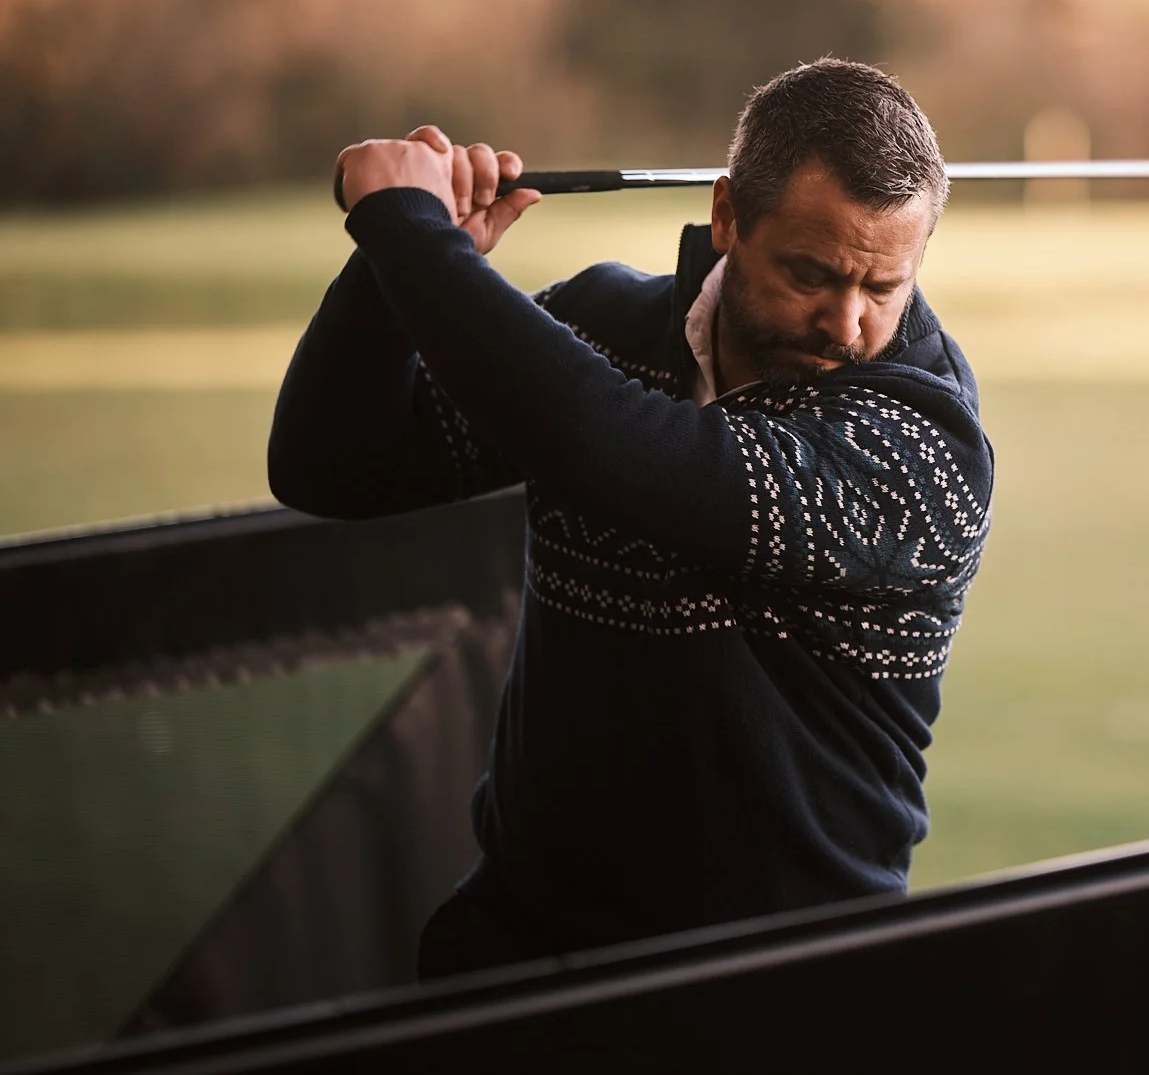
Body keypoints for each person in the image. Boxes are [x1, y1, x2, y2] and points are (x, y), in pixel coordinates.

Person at [268, 58, 994, 978]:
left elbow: (622, 450)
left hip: (779, 988)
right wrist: (391, 265)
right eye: (811, 274)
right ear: (728, 215)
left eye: (881, 288)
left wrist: (412, 236)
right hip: (523, 946)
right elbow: (333, 466)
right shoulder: (608, 325)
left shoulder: (922, 445)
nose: (845, 323)